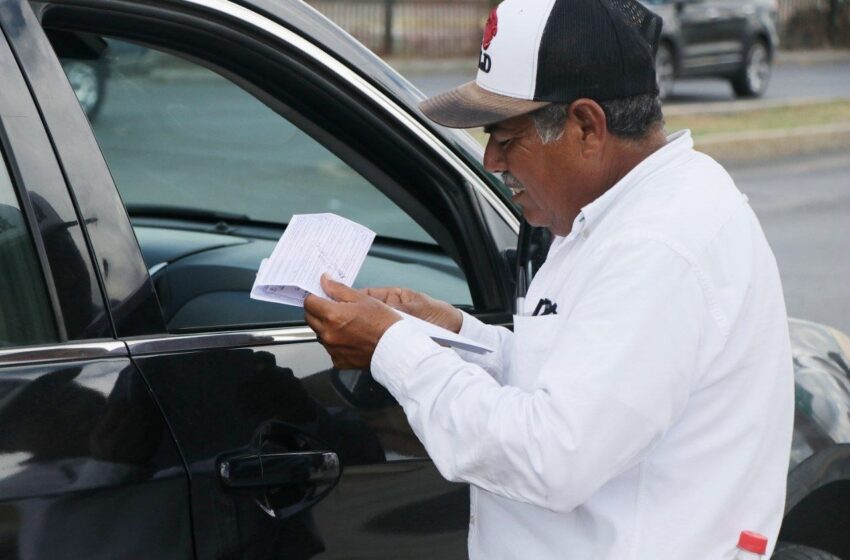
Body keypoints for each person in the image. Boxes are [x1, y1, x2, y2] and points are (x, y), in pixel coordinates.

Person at [304, 0, 794, 557]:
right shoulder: (621, 212)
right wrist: (452, 332)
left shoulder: (658, 245)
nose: (490, 160)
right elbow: (574, 379)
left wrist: (392, 346)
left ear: (587, 126)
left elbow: (551, 455)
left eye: (506, 138)